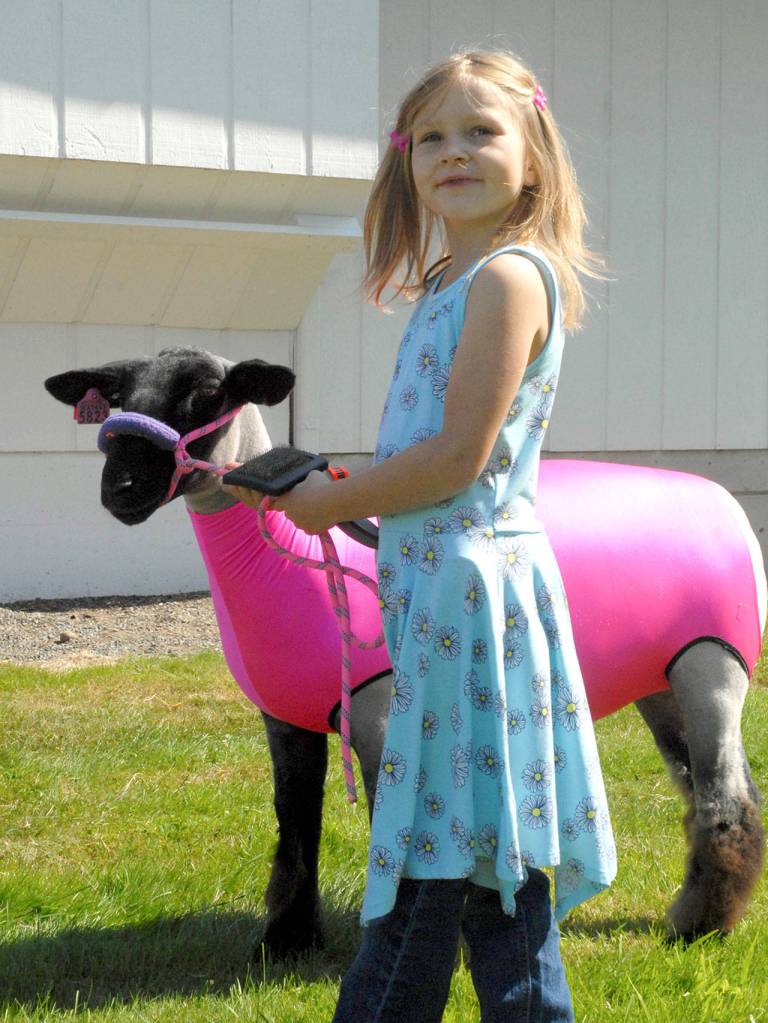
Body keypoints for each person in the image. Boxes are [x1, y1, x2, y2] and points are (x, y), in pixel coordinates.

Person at [226, 48, 617, 1023]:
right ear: (406, 163)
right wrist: (347, 484)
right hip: (445, 603)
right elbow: (433, 454)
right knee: (489, 862)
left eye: (480, 130)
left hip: (472, 613)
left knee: (431, 865)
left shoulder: (509, 280)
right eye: (430, 136)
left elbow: (457, 461)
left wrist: (326, 503)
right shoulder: (455, 278)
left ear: (532, 152)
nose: (454, 151)